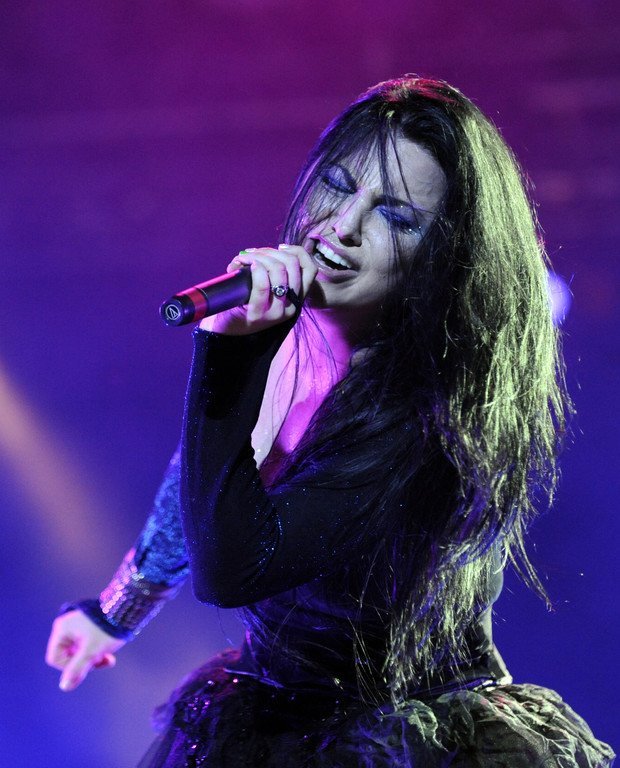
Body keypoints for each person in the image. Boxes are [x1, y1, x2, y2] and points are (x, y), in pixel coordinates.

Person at [46, 76, 615, 767]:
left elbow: (232, 569)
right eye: (338, 185)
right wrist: (116, 612)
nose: (343, 225)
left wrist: (225, 356)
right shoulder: (286, 336)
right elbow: (201, 481)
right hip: (271, 708)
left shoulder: (424, 421)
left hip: (404, 738)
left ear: (443, 257)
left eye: (395, 217)